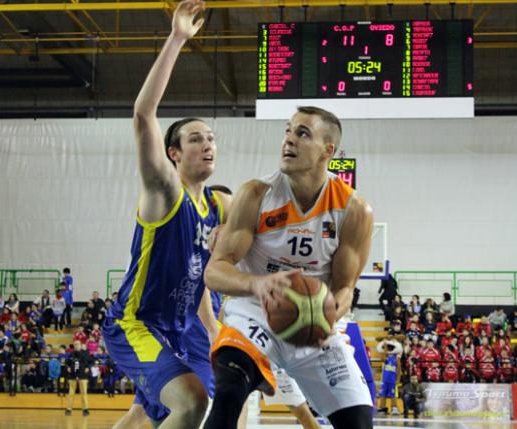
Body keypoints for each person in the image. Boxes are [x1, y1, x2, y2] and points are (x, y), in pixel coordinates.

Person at [203, 105, 374, 429]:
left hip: (312, 324)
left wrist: (336, 306)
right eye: (288, 130)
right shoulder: (256, 194)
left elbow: (344, 287)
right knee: (228, 393)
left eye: (302, 133)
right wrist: (257, 284)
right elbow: (214, 271)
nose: (289, 140)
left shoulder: (354, 209)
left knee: (360, 423)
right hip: (254, 314)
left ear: (328, 150)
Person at [101, 2, 228, 428]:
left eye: (211, 138)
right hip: (136, 323)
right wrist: (177, 39)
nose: (207, 144)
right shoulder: (165, 190)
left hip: (176, 329)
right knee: (191, 403)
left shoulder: (216, 207)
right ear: (173, 153)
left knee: (142, 414)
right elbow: (143, 115)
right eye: (195, 139)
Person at [376, 337, 402, 416]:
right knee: (382, 394)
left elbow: (399, 370)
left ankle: (394, 408)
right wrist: (385, 345)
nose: (389, 350)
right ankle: (382, 408)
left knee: (393, 395)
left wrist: (398, 379)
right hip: (384, 380)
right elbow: (383, 357)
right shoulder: (385, 357)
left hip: (392, 380)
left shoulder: (396, 358)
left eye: (390, 348)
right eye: (388, 348)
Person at [65, 340, 91, 416]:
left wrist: (88, 368)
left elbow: (91, 361)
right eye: (75, 344)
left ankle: (85, 409)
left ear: (80, 345)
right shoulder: (71, 354)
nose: (76, 345)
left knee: (84, 393)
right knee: (71, 393)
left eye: (77, 344)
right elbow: (67, 362)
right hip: (73, 375)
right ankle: (68, 409)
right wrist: (68, 367)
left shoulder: (85, 353)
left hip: (83, 375)